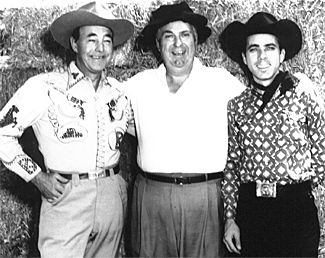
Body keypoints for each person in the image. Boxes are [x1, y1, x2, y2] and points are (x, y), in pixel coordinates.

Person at [0, 2, 134, 257]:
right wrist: (37, 177)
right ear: (74, 44)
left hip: (112, 196)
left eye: (107, 40)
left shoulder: (119, 92)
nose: (100, 48)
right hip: (66, 196)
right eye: (91, 39)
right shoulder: (45, 87)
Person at [124, 2, 245, 257]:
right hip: (152, 198)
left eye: (185, 35)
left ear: (196, 41)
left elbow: (258, 107)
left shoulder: (221, 82)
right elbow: (104, 109)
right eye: (169, 36)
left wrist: (295, 82)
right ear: (158, 45)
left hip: (207, 198)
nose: (177, 45)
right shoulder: (137, 85)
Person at [219, 12, 325, 257]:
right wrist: (230, 218)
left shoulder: (302, 92)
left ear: (282, 55)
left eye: (269, 48)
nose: (262, 57)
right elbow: (233, 166)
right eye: (254, 49)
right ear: (245, 58)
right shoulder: (236, 106)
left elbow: (321, 149)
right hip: (253, 212)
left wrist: (306, 193)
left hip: (295, 210)